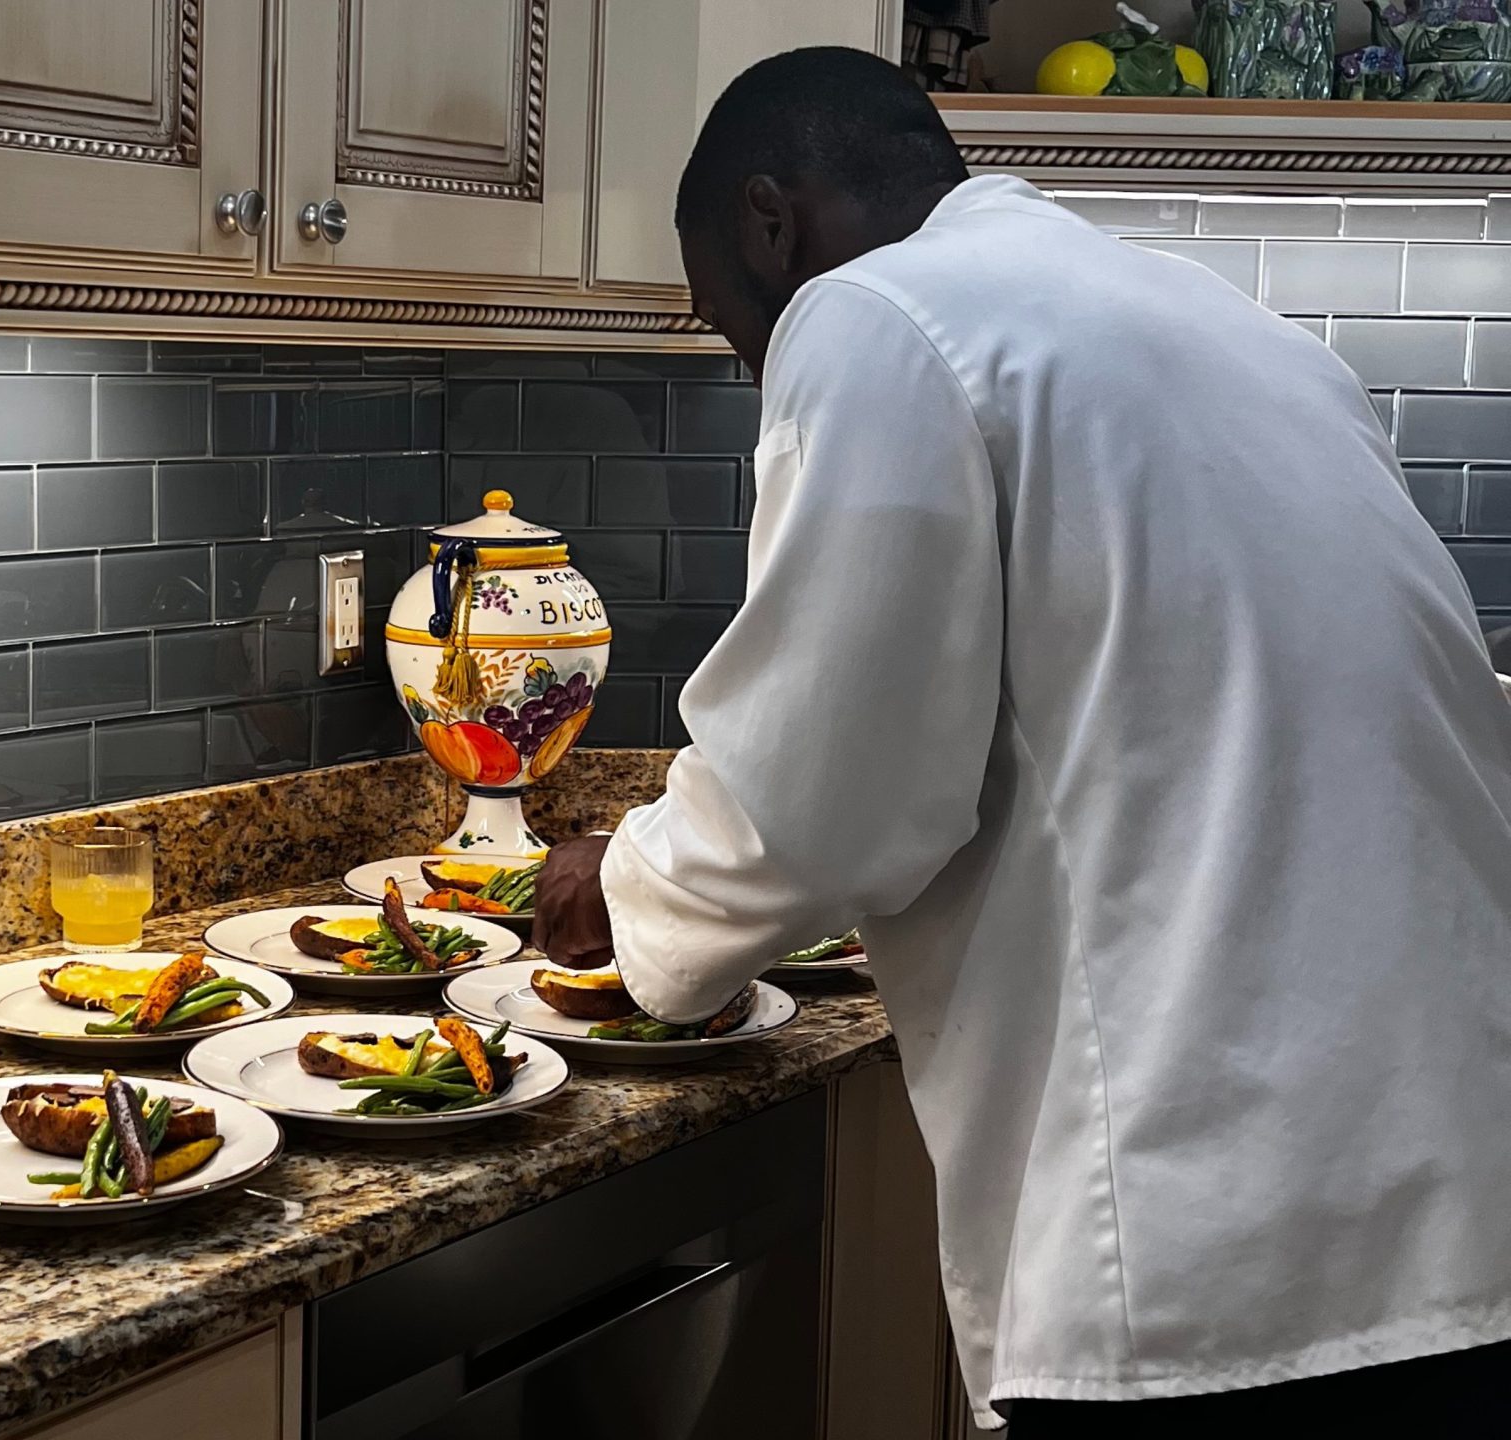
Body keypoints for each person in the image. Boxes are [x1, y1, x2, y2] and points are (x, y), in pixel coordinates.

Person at [532, 45, 1511, 1435]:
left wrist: (622, 888)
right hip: (1460, 1216)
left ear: (773, 223)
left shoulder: (872, 313)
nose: (747, 356)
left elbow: (822, 793)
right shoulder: (1231, 328)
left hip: (1212, 1258)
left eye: (723, 319)